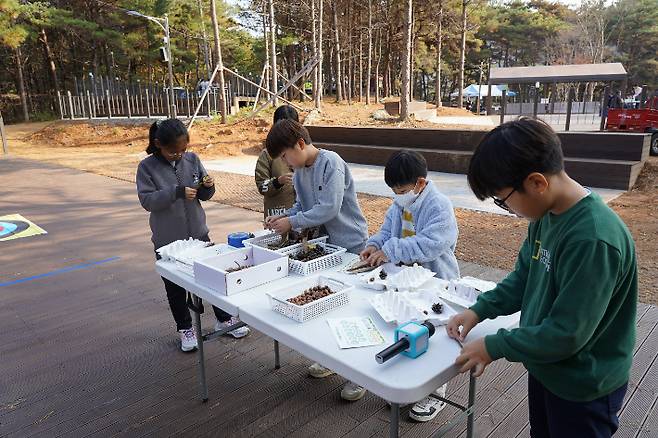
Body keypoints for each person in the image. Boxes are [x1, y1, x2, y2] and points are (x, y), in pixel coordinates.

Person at [448, 118, 637, 437]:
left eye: (503, 200)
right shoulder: (546, 214)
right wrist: (479, 309)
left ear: (536, 182)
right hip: (548, 365)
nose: (507, 210)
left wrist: (494, 345)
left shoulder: (591, 239)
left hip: (584, 384)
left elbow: (567, 333)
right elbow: (523, 278)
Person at [264, 119, 369, 401]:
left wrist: (292, 221)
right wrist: (285, 218)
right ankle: (331, 358)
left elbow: (328, 209)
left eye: (285, 156)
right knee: (326, 305)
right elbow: (302, 205)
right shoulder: (299, 170)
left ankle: (359, 373)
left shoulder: (331, 163)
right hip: (325, 247)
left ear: (300, 144)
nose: (286, 163)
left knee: (353, 309)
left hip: (350, 244)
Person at [361, 149, 460, 421]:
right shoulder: (399, 204)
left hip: (435, 280)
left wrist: (391, 249)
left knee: (435, 335)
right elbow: (385, 232)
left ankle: (436, 391)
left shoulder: (438, 204)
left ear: (420, 183)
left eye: (401, 189)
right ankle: (411, 388)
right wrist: (373, 244)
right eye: (394, 190)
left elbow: (431, 244)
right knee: (406, 329)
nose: (397, 194)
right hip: (406, 282)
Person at [136, 118, 250, 353]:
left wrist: (208, 186)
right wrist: (176, 192)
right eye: (172, 152)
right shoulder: (147, 168)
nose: (178, 155)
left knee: (213, 280)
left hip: (199, 235)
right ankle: (185, 328)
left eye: (183, 150)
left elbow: (205, 193)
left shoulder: (192, 159)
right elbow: (147, 201)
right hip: (168, 243)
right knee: (175, 288)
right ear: (158, 144)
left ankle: (224, 318)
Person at [254, 105, 297, 219]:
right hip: (277, 215)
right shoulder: (267, 154)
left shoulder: (302, 151)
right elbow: (261, 186)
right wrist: (278, 182)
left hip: (301, 215)